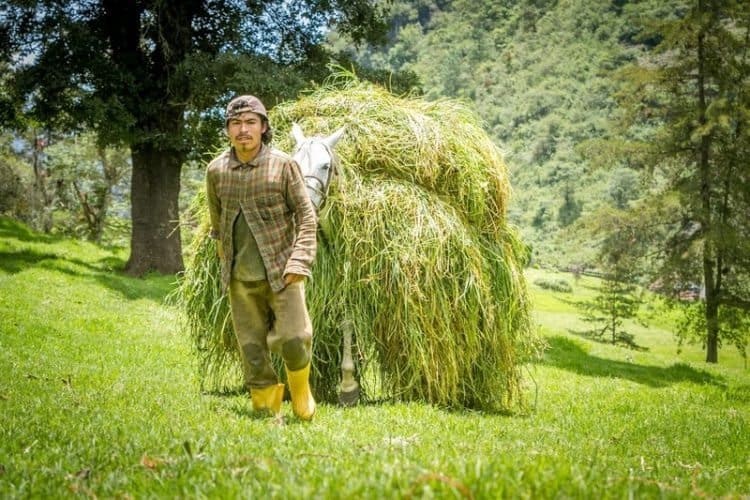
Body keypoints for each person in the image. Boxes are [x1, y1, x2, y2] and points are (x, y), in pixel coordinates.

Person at [205, 95, 318, 420]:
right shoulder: (217, 171)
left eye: (250, 123)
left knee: (295, 338)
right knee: (252, 348)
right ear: (228, 130)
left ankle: (300, 395)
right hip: (240, 277)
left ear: (263, 127)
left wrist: (300, 261)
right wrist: (224, 262)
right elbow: (217, 224)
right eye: (236, 124)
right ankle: (267, 410)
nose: (243, 130)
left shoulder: (283, 165)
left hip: (283, 272)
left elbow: (307, 218)